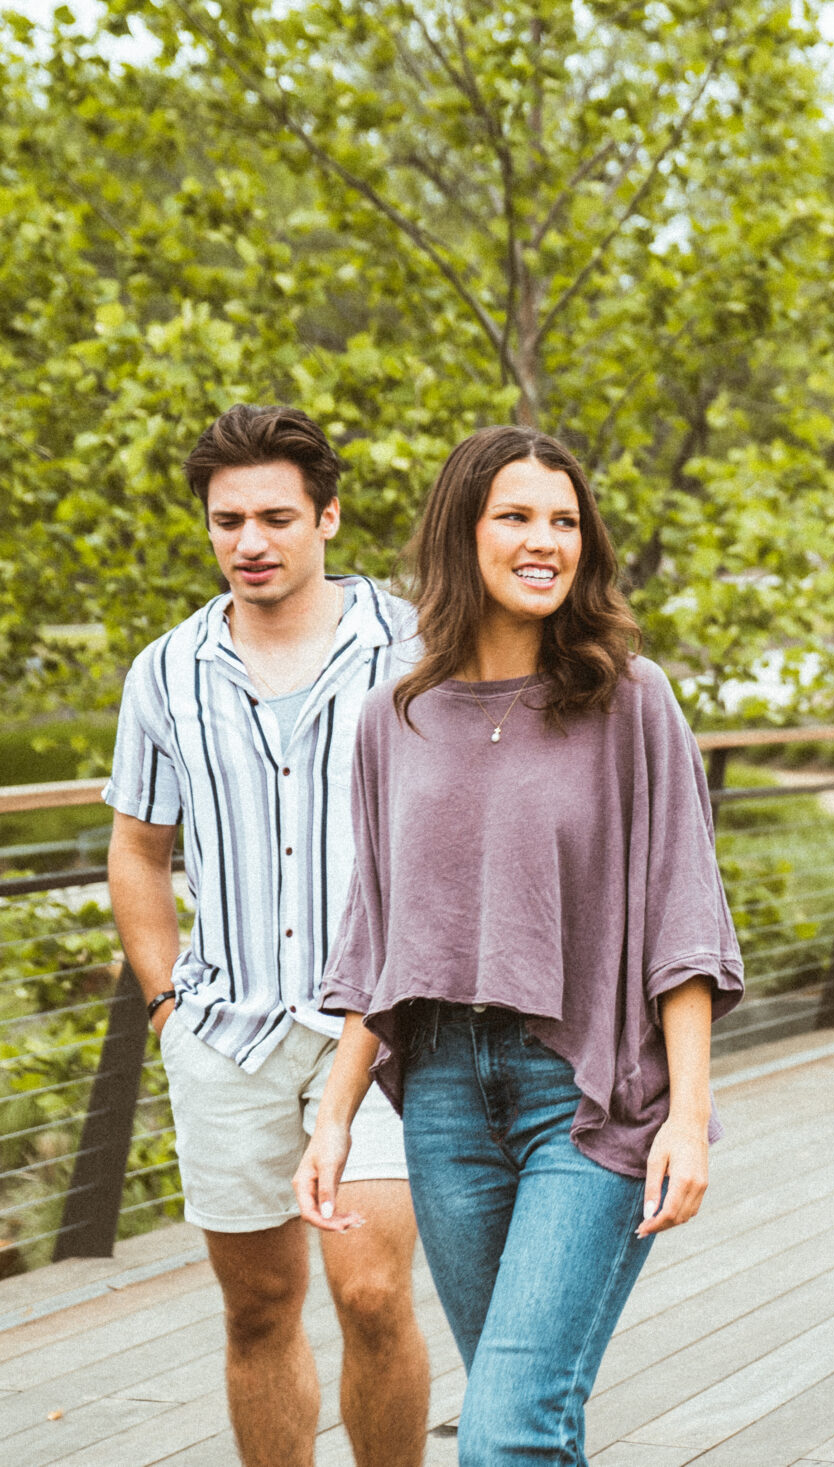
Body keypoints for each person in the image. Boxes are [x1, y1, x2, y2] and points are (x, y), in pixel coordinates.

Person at [291, 425, 743, 1465]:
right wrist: (336, 1119)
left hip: (585, 1097)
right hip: (444, 1099)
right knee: (532, 1420)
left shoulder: (632, 702)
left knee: (500, 1433)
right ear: (464, 533)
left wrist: (688, 1110)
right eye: (516, 518)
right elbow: (380, 934)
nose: (545, 541)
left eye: (564, 521)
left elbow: (682, 916)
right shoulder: (392, 719)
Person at [104, 405, 430, 1467]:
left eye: (277, 517)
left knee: (372, 1290)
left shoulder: (417, 647)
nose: (250, 541)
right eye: (227, 519)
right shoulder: (165, 672)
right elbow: (139, 851)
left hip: (379, 1030)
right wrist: (166, 1008)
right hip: (227, 1035)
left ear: (327, 518)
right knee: (259, 1311)